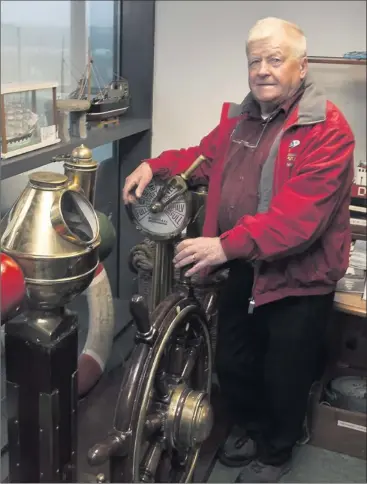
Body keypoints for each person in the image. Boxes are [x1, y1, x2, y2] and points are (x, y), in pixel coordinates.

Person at [122, 17, 355, 483]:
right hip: (244, 265)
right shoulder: (240, 119)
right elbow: (202, 159)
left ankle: (275, 452)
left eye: (275, 58)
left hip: (299, 278)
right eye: (255, 60)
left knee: (284, 373)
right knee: (234, 359)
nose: (263, 70)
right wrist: (155, 165)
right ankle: (249, 426)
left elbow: (298, 224)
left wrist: (223, 246)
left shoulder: (329, 130)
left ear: (302, 65)